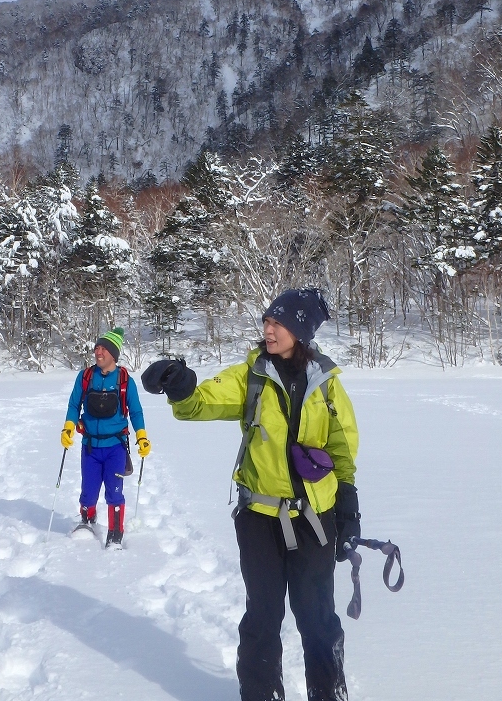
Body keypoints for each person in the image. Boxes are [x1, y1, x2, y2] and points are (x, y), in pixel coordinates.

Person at [142, 289, 360, 701]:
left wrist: (348, 503)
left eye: (278, 323)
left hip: (316, 517)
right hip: (259, 516)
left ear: (300, 330)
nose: (269, 329)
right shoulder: (250, 374)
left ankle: (329, 694)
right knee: (263, 616)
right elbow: (200, 403)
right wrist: (180, 385)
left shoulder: (327, 383)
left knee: (317, 619)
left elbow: (342, 447)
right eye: (267, 321)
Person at [61, 327, 151, 548]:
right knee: (88, 491)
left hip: (116, 447)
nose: (98, 352)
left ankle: (115, 532)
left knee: (114, 491)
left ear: (113, 354)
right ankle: (87, 520)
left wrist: (142, 436)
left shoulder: (124, 380)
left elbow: (136, 411)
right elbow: (74, 404)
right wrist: (68, 427)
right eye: (97, 348)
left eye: (103, 349)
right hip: (90, 446)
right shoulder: (85, 377)